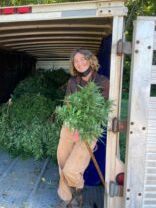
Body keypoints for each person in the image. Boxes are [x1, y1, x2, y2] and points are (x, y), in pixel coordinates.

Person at [56, 48, 109, 208]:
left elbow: (104, 110)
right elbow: (68, 104)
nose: (79, 63)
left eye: (82, 59)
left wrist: (85, 123)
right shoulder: (72, 82)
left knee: (72, 169)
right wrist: (71, 118)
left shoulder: (103, 82)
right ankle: (66, 197)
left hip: (88, 130)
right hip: (70, 126)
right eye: (76, 61)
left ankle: (78, 193)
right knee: (62, 162)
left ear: (90, 60)